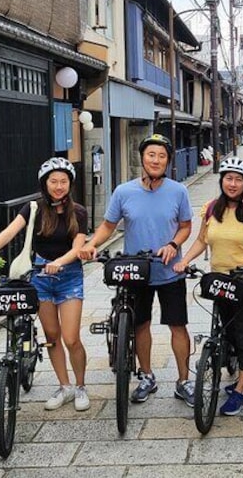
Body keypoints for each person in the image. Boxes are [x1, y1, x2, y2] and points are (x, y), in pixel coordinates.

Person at [0, 157, 90, 411]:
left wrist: (60, 262)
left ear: (70, 184)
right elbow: (8, 233)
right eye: (53, 181)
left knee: (71, 337)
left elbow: (78, 247)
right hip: (40, 278)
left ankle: (81, 386)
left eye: (63, 181)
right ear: (45, 184)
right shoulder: (33, 209)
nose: (59, 186)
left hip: (69, 276)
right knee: (52, 337)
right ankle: (64, 386)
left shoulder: (79, 212)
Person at [78, 133, 195, 405]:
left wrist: (172, 244)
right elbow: (108, 225)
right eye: (151, 154)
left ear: (167, 161)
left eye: (162, 155)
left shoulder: (178, 191)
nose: (156, 160)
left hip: (169, 271)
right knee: (140, 325)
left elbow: (186, 226)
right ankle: (147, 375)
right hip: (135, 271)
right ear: (142, 158)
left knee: (178, 325)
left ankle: (183, 380)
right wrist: (91, 243)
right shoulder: (124, 191)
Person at [174, 157, 243, 416]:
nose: (232, 184)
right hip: (220, 281)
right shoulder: (210, 208)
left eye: (238, 179)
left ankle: (240, 392)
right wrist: (184, 260)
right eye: (228, 178)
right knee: (226, 333)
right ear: (221, 181)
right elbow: (201, 240)